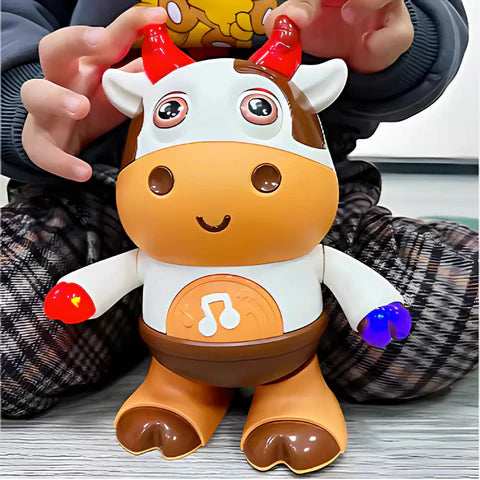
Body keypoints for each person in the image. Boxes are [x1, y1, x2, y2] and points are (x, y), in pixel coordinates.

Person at [1, 0, 477, 418]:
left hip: (300, 223)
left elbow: (428, 22)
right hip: (99, 188)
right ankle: (137, 325)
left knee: (443, 306)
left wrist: (390, 42)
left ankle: (140, 334)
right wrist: (31, 102)